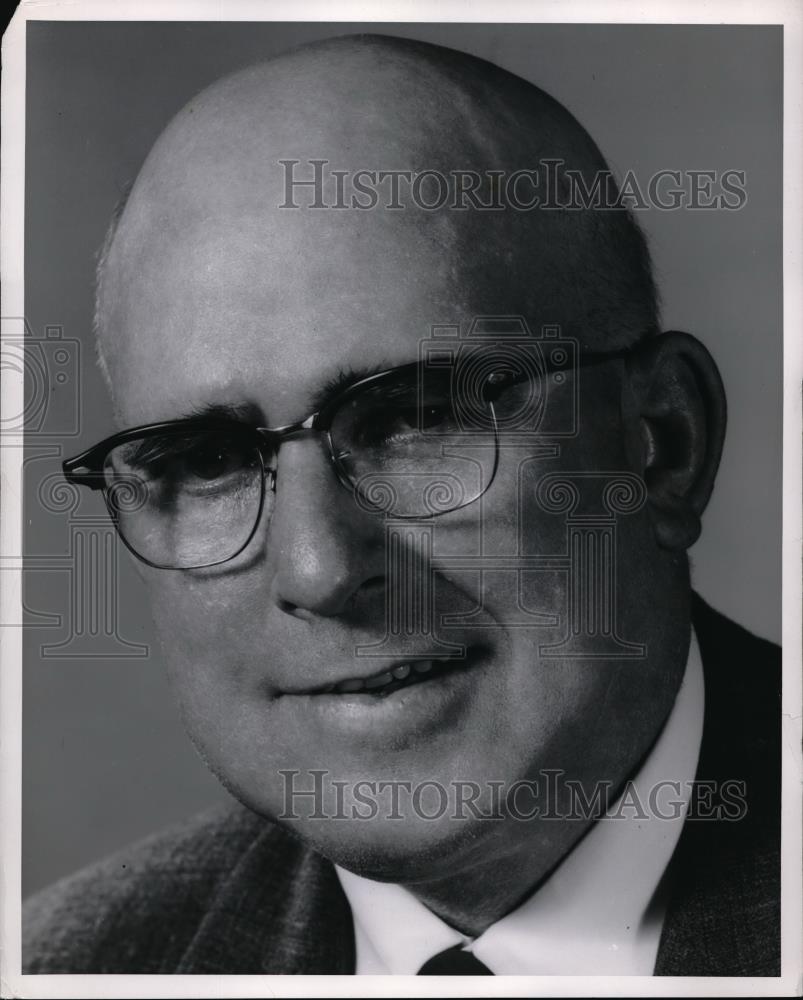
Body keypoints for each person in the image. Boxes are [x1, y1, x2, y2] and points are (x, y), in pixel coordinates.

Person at [22, 33, 780, 976]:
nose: (320, 569)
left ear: (663, 443)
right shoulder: (68, 966)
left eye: (417, 416)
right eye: (207, 459)